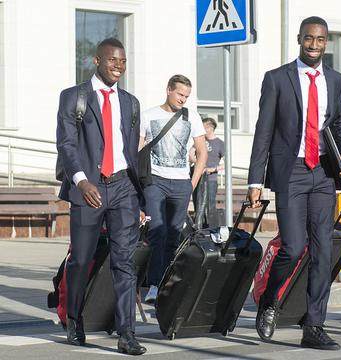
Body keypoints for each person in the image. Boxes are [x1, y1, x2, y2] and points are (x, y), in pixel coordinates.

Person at [247, 16, 341, 350]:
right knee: (292, 247)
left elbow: (338, 122)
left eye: (321, 40)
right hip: (290, 170)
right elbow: (264, 131)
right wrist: (255, 180)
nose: (315, 45)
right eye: (309, 39)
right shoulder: (277, 79)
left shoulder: (335, 80)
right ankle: (269, 300)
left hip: (323, 172)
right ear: (299, 39)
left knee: (323, 251)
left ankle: (314, 326)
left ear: (327, 42)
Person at [56, 38, 146, 355]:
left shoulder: (131, 102)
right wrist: (81, 182)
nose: (118, 66)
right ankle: (74, 321)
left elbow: (130, 151)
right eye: (112, 60)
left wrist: (139, 198)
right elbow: (67, 144)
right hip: (88, 188)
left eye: (122, 61)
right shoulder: (74, 97)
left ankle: (127, 333)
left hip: (123, 188)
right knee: (81, 259)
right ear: (97, 60)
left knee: (124, 262)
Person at [140, 75, 208, 304]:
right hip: (155, 181)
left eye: (187, 96)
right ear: (169, 89)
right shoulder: (148, 116)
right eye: (180, 94)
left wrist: (192, 183)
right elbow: (138, 151)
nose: (183, 99)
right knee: (157, 231)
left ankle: (165, 283)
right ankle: (152, 284)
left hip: (181, 183)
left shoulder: (192, 117)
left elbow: (202, 152)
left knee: (173, 235)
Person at [189, 117, 224, 227]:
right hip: (197, 177)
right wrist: (197, 162)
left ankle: (209, 228)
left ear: (210, 128)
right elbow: (190, 154)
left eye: (203, 127)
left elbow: (227, 164)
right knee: (197, 204)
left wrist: (211, 169)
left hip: (211, 180)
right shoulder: (200, 141)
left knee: (209, 205)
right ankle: (198, 228)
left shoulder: (219, 143)